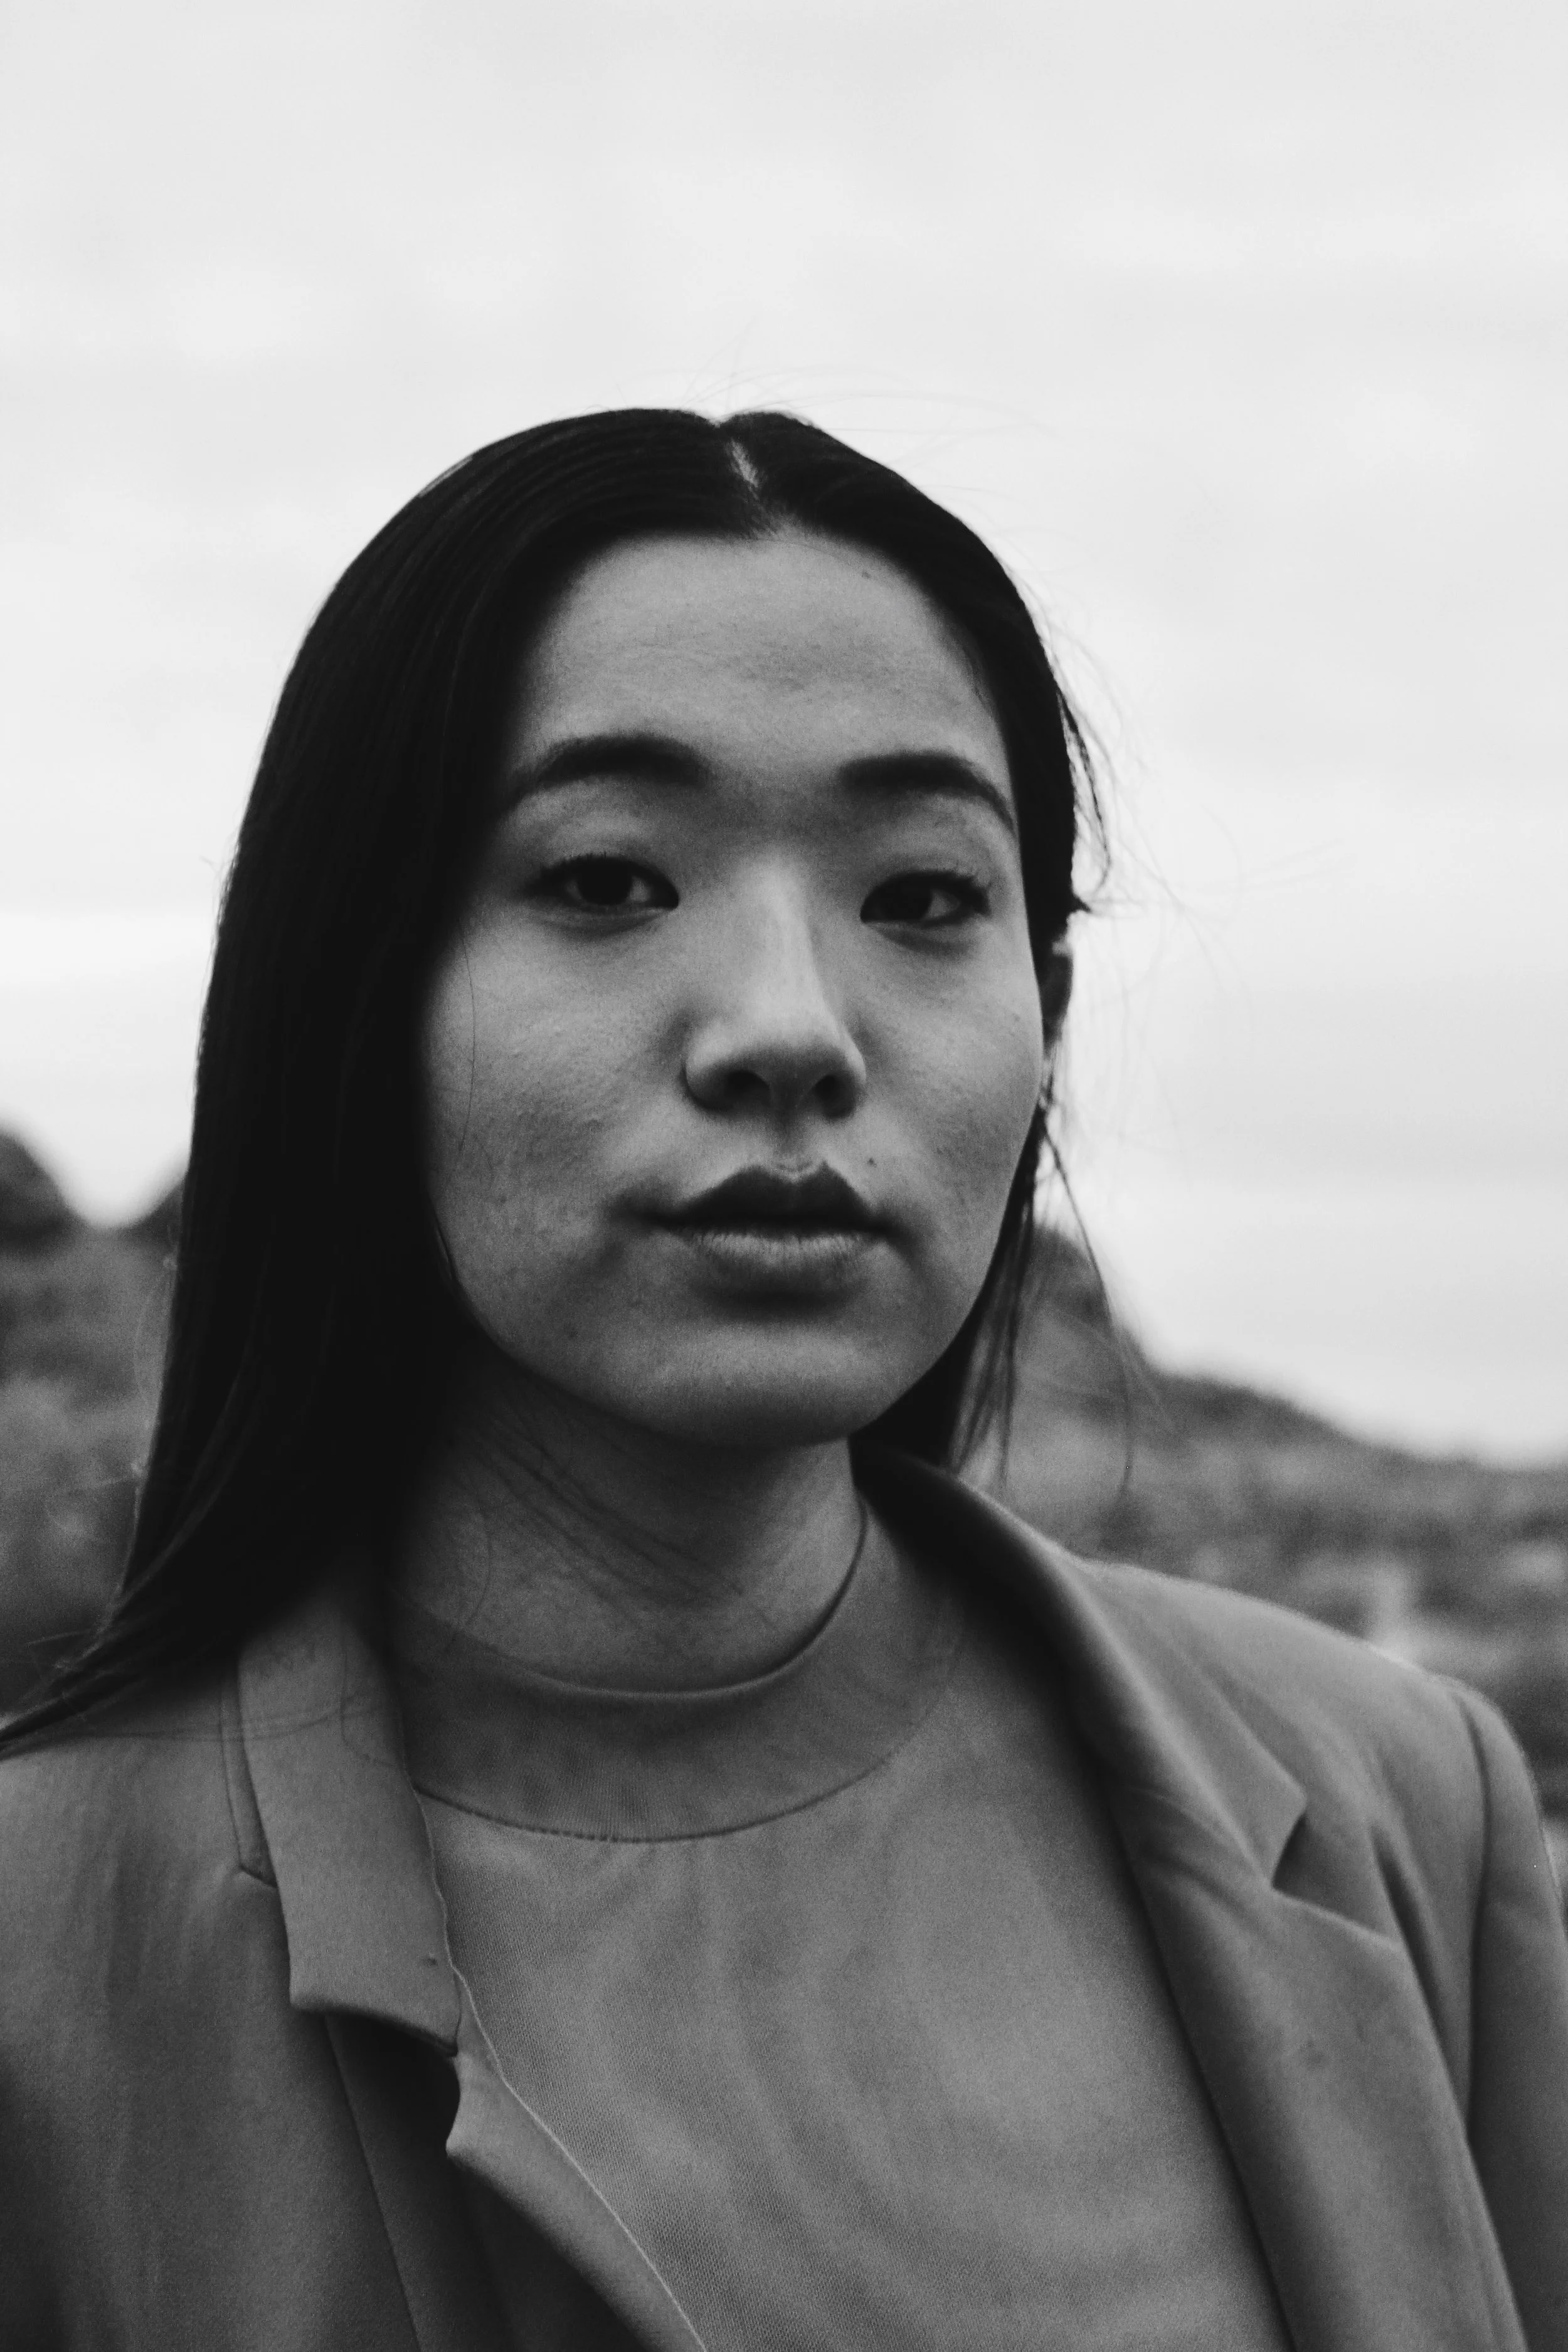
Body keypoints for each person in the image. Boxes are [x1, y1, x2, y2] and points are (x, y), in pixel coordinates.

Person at [1, 410, 1564, 2352]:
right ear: (352, 991)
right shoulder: (41, 1961)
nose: (788, 1028)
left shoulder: (1400, 1804)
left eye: (918, 897)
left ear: (1043, 1017)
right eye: (603, 878)